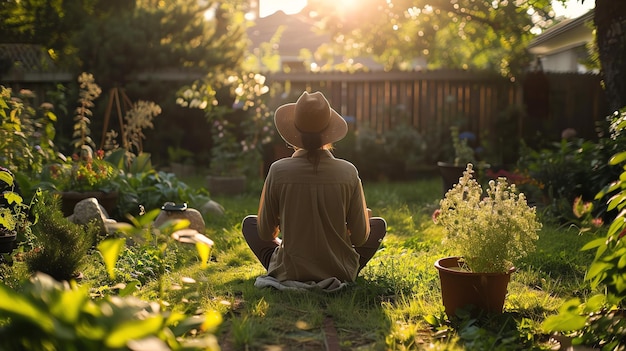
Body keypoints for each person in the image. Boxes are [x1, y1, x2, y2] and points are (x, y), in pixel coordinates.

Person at [242, 91, 387, 283]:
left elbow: (266, 233)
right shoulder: (348, 172)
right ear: (329, 133)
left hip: (290, 271)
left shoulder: (278, 170)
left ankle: (282, 265)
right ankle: (342, 268)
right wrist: (350, 226)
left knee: (250, 224)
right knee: (378, 225)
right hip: (339, 270)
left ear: (295, 132)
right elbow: (360, 238)